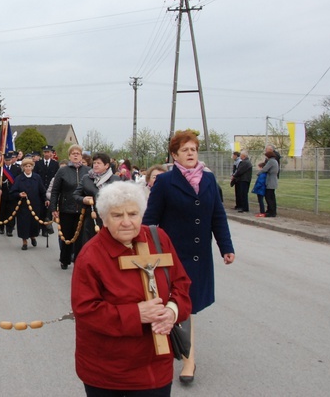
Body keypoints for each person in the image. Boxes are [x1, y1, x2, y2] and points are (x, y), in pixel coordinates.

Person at [72, 182, 192, 395]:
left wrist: (172, 312)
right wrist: (136, 314)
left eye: (133, 214)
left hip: (156, 367)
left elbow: (181, 283)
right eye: (117, 215)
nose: (127, 222)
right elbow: (86, 310)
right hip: (109, 372)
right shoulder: (91, 256)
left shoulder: (159, 239)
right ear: (104, 218)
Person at [143, 130, 236, 384]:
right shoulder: (164, 182)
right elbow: (150, 222)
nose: (190, 153)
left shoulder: (208, 180)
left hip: (199, 257)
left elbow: (218, 216)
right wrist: (144, 252)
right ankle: (181, 356)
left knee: (188, 308)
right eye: (185, 150)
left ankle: (186, 358)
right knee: (176, 307)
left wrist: (226, 247)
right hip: (171, 257)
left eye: (193, 149)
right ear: (174, 155)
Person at [49, 144, 90, 270]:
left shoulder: (88, 171)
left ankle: (78, 260)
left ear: (81, 155)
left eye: (78, 153)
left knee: (80, 237)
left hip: (82, 209)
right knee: (67, 235)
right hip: (66, 208)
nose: (76, 155)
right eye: (73, 153)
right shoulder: (62, 171)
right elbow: (55, 191)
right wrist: (53, 208)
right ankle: (65, 259)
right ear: (69, 156)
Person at [72, 152, 123, 252]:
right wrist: (83, 199)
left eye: (98, 163)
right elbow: (75, 195)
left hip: (110, 218)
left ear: (107, 165)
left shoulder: (115, 180)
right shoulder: (87, 178)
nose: (95, 165)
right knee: (90, 246)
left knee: (108, 246)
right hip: (91, 218)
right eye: (94, 163)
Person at [10, 157, 47, 250]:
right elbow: (13, 192)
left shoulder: (37, 177)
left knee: (34, 223)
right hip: (23, 206)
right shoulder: (19, 178)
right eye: (26, 166)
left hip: (35, 205)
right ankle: (24, 241)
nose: (28, 168)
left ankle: (33, 237)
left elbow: (42, 191)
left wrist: (46, 200)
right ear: (23, 167)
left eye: (29, 166)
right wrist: (19, 194)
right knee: (23, 224)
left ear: (32, 167)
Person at [0, 151, 22, 237]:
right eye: (6, 160)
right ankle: (1, 227)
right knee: (2, 211)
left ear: (12, 160)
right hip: (3, 193)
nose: (8, 161)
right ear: (4, 160)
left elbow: (19, 181)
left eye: (9, 159)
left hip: (12, 193)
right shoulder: (0, 169)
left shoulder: (17, 168)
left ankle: (10, 229)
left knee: (11, 211)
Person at [260, 145, 280, 217]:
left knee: (269, 197)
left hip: (270, 181)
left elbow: (265, 169)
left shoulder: (271, 161)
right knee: (271, 196)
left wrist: (259, 173)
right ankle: (270, 210)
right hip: (272, 180)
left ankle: (272, 212)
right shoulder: (274, 161)